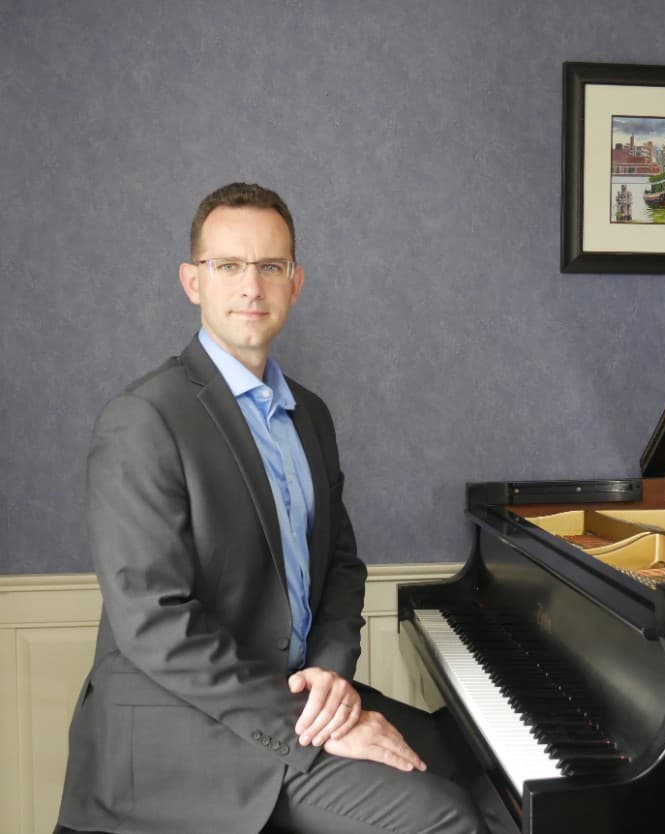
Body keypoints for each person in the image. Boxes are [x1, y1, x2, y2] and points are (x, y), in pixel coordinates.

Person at [56, 183, 488, 834]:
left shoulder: (308, 414)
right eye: (227, 266)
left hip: (291, 697)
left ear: (295, 282)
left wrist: (332, 679)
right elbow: (152, 622)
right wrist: (307, 726)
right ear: (191, 282)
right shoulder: (143, 418)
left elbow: (341, 566)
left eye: (270, 266)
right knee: (445, 820)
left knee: (487, 771)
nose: (250, 286)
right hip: (184, 729)